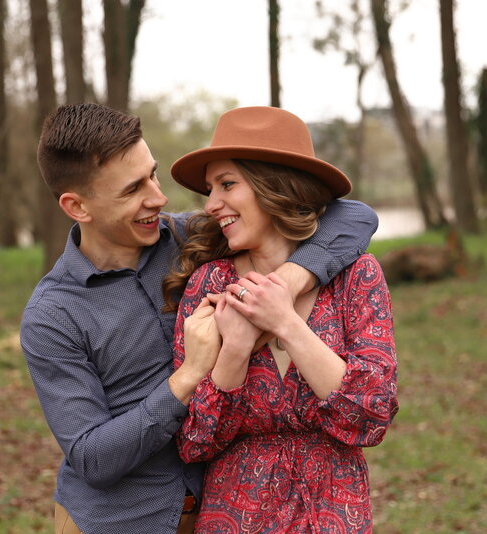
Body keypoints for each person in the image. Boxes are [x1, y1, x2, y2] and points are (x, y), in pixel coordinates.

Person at [20, 103, 379, 534]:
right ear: (77, 206)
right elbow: (93, 458)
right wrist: (188, 376)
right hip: (120, 522)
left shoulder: (189, 238)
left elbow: (353, 216)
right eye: (133, 189)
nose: (158, 197)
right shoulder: (52, 316)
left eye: (152, 174)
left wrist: (285, 283)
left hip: (219, 508)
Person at [166, 106, 398, 533]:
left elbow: (371, 414)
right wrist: (234, 349)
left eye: (228, 184)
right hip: (235, 514)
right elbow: (194, 440)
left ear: (274, 186)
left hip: (334, 510)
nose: (212, 204)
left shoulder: (356, 277)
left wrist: (286, 323)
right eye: (210, 188)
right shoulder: (209, 285)